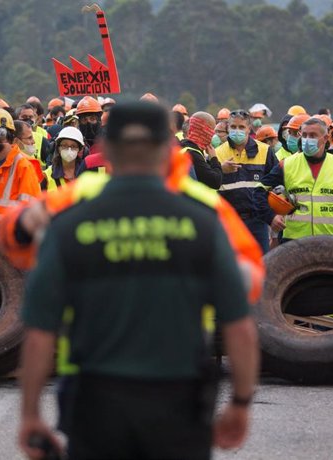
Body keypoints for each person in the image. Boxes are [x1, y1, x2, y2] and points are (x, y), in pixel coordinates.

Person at [18, 102, 260, 460]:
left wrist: (30, 414)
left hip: (94, 403)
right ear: (167, 149)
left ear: (107, 150)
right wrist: (240, 402)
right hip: (178, 401)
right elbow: (239, 326)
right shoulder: (203, 220)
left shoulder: (69, 221)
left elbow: (40, 332)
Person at [261, 117, 333, 241]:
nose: (307, 140)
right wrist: (270, 217)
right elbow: (259, 190)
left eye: (312, 135)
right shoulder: (286, 165)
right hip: (294, 240)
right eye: (304, 135)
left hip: (330, 240)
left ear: (326, 138)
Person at [216, 109, 277, 252]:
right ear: (228, 128)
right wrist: (220, 169)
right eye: (233, 127)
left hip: (257, 221)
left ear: (249, 129)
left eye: (241, 127)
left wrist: (271, 215)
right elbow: (210, 186)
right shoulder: (217, 153)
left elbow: (276, 183)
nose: (237, 131)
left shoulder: (265, 151)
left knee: (262, 265)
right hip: (228, 222)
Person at [181, 112, 223, 190]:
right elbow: (215, 182)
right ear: (204, 132)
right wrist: (214, 159)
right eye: (212, 130)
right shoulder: (193, 154)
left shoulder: (183, 146)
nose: (214, 135)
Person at [41, 127, 84, 191]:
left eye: (73, 146)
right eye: (64, 145)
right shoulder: (46, 176)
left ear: (79, 149)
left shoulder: (86, 173)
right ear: (58, 148)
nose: (69, 150)